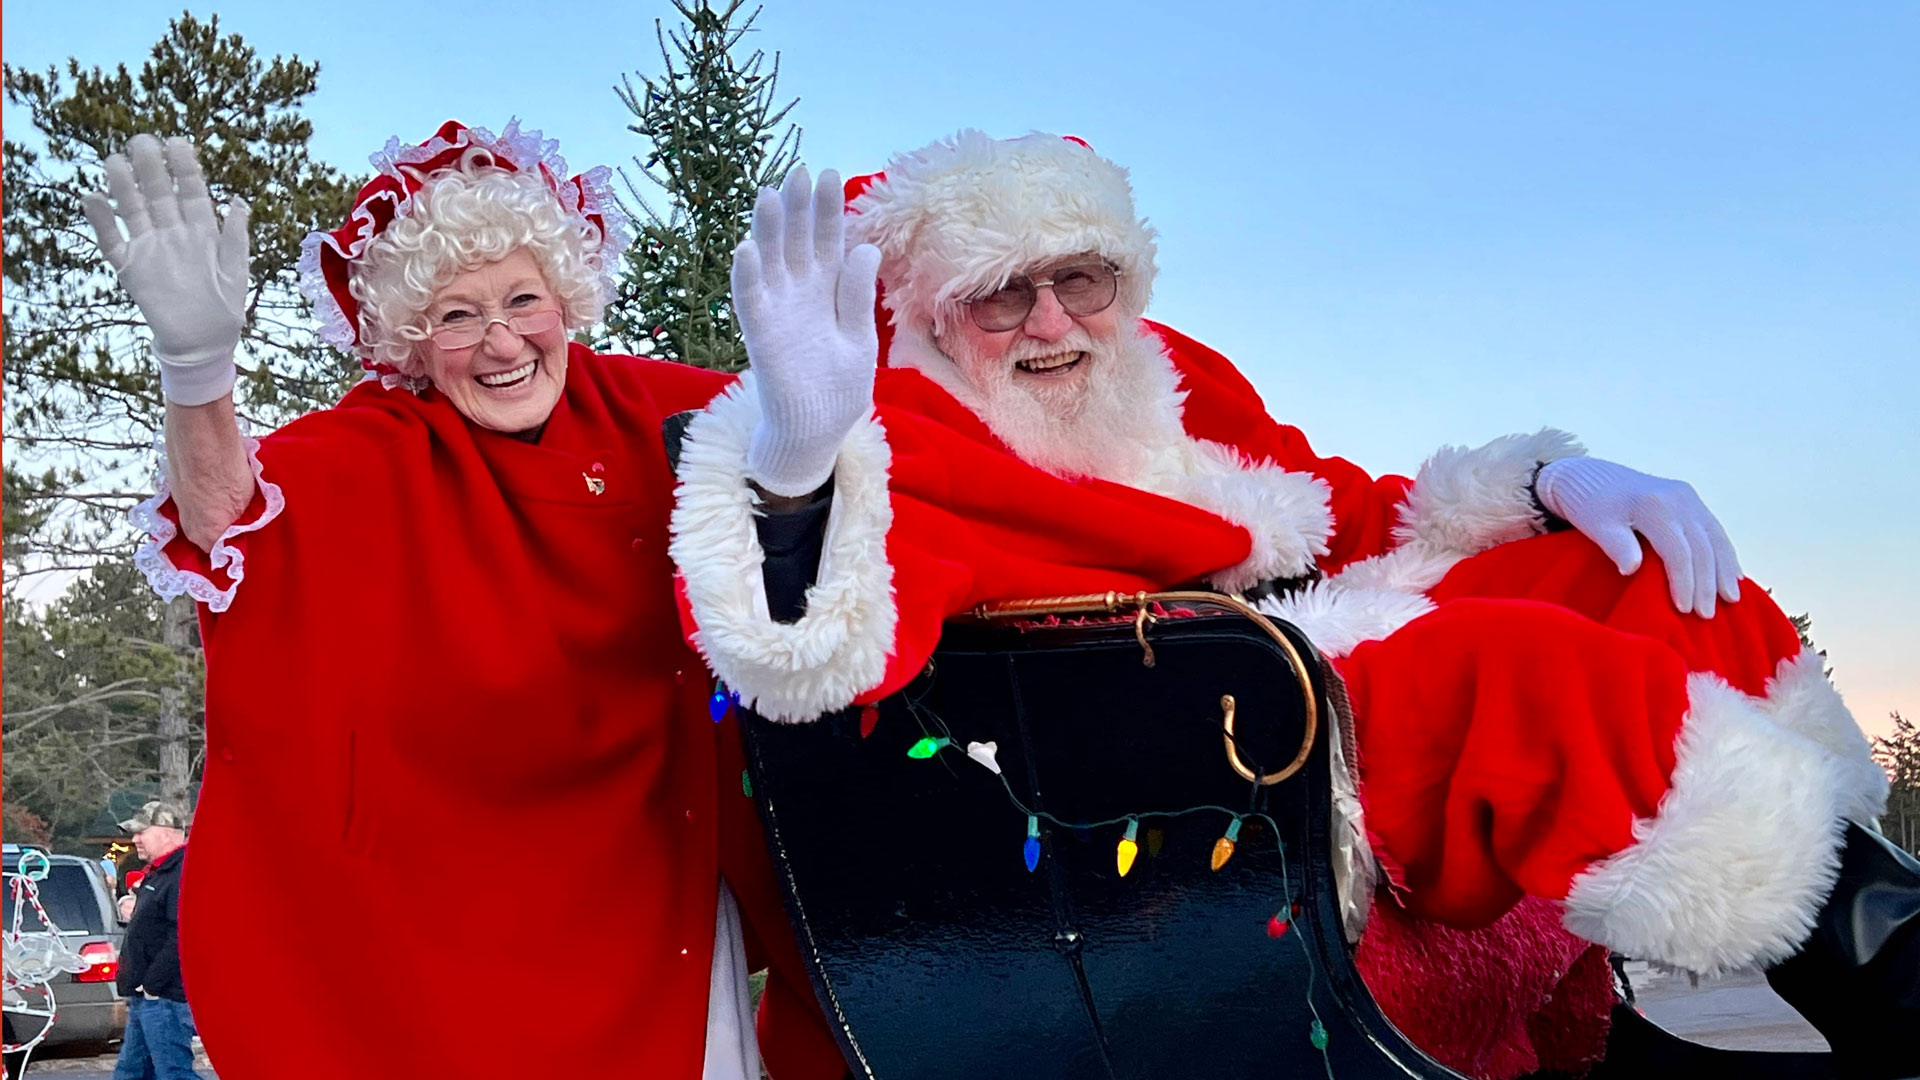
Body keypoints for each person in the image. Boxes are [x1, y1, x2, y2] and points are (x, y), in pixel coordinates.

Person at [668, 131, 1917, 1080]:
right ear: (938, 315)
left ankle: (1857, 949)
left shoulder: (1165, 384)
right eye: (1004, 295)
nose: (1052, 323)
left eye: (1083, 280)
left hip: (1281, 697)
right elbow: (819, 653)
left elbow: (1343, 514)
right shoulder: (901, 424)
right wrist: (798, 465)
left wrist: (1545, 486)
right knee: (1504, 670)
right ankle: (1893, 978)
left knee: (1626, 576)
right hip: (1147, 767)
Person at [88, 122, 851, 1079]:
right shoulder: (378, 449)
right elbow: (227, 523)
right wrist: (196, 373)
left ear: (566, 300)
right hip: (458, 929)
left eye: (523, 300)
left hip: (658, 899)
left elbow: (833, 437)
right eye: (457, 315)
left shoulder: (654, 410)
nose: (500, 341)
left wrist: (817, 413)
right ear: (411, 340)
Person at [112, 801, 202, 1080]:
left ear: (165, 832)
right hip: (147, 997)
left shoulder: (181, 872)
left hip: (163, 998)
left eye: (141, 832)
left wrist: (153, 983)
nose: (134, 839)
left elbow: (184, 933)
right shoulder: (160, 873)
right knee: (132, 1073)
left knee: (173, 1073)